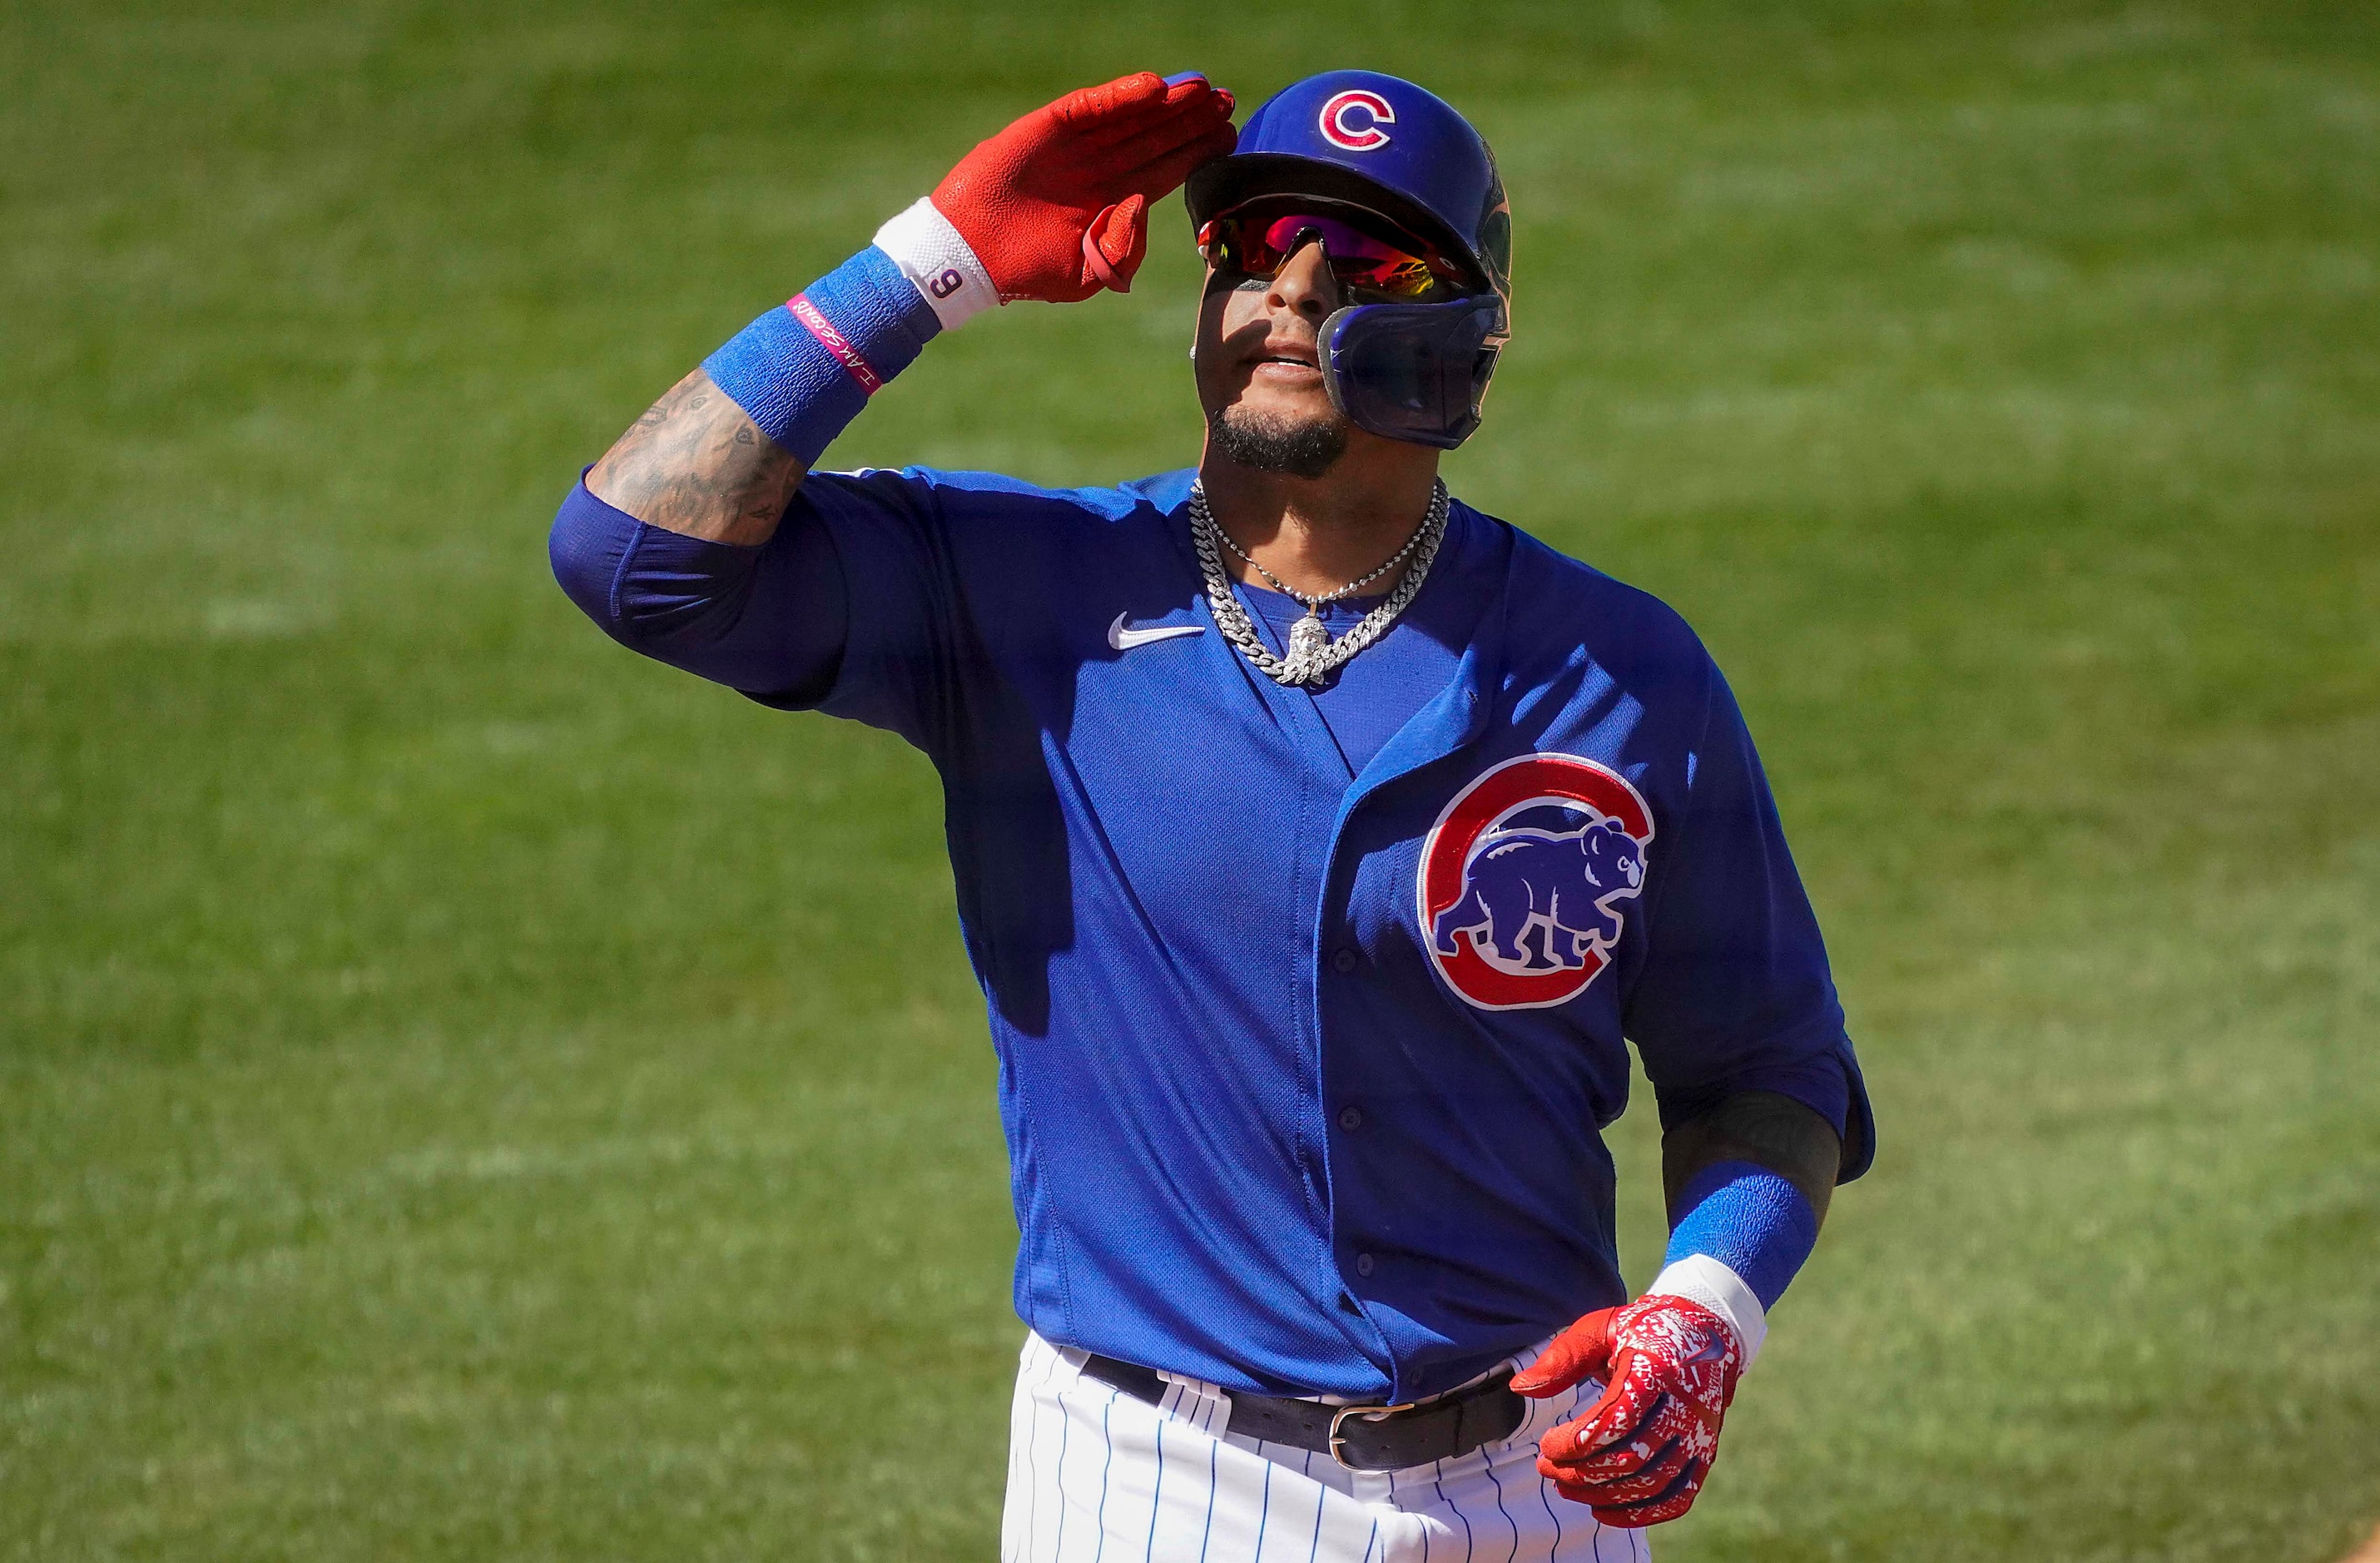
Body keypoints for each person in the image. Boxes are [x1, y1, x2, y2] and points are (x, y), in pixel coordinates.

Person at [550, 67, 1873, 1561]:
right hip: (1155, 1480)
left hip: (1537, 1484)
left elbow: (1769, 1070)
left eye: (1366, 265)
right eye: (1251, 250)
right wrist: (935, 262)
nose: (1290, 292)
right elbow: (631, 552)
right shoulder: (1024, 590)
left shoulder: (1620, 675)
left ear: (1467, 335)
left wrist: (1708, 1309)